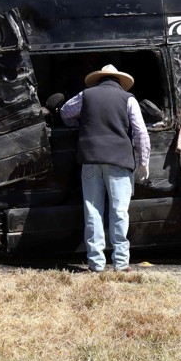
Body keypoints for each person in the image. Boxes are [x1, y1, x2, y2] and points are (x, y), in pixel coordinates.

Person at [60, 64, 150, 272]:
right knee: (119, 211)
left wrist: (79, 126)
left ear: (99, 79)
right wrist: (143, 163)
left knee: (92, 211)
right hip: (119, 161)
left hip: (90, 159)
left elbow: (65, 112)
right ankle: (120, 262)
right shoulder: (129, 99)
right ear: (119, 82)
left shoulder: (86, 95)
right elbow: (140, 133)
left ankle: (96, 263)